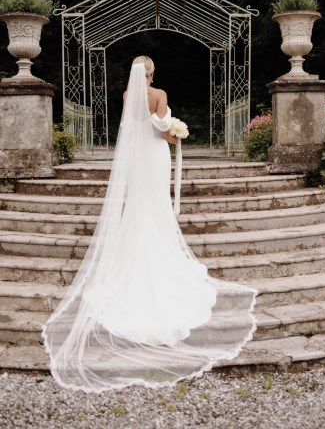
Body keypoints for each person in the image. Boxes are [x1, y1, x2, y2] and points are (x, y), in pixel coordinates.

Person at [42, 56, 257, 393]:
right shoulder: (159, 95)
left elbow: (133, 130)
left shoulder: (129, 97)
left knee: (138, 208)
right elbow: (162, 131)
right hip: (155, 156)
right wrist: (177, 133)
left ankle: (134, 257)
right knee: (156, 207)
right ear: (153, 73)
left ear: (133, 73)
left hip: (137, 162)